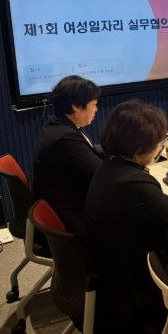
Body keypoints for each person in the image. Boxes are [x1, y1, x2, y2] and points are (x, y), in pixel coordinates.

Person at [85, 99, 168, 333]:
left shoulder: (110, 166)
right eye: (159, 142)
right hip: (136, 284)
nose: (161, 148)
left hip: (115, 267)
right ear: (138, 149)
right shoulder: (131, 183)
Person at [32, 75, 104, 237]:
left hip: (63, 201)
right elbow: (102, 175)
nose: (96, 109)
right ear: (76, 106)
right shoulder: (64, 138)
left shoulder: (57, 125)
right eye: (94, 104)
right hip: (70, 216)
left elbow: (88, 150)